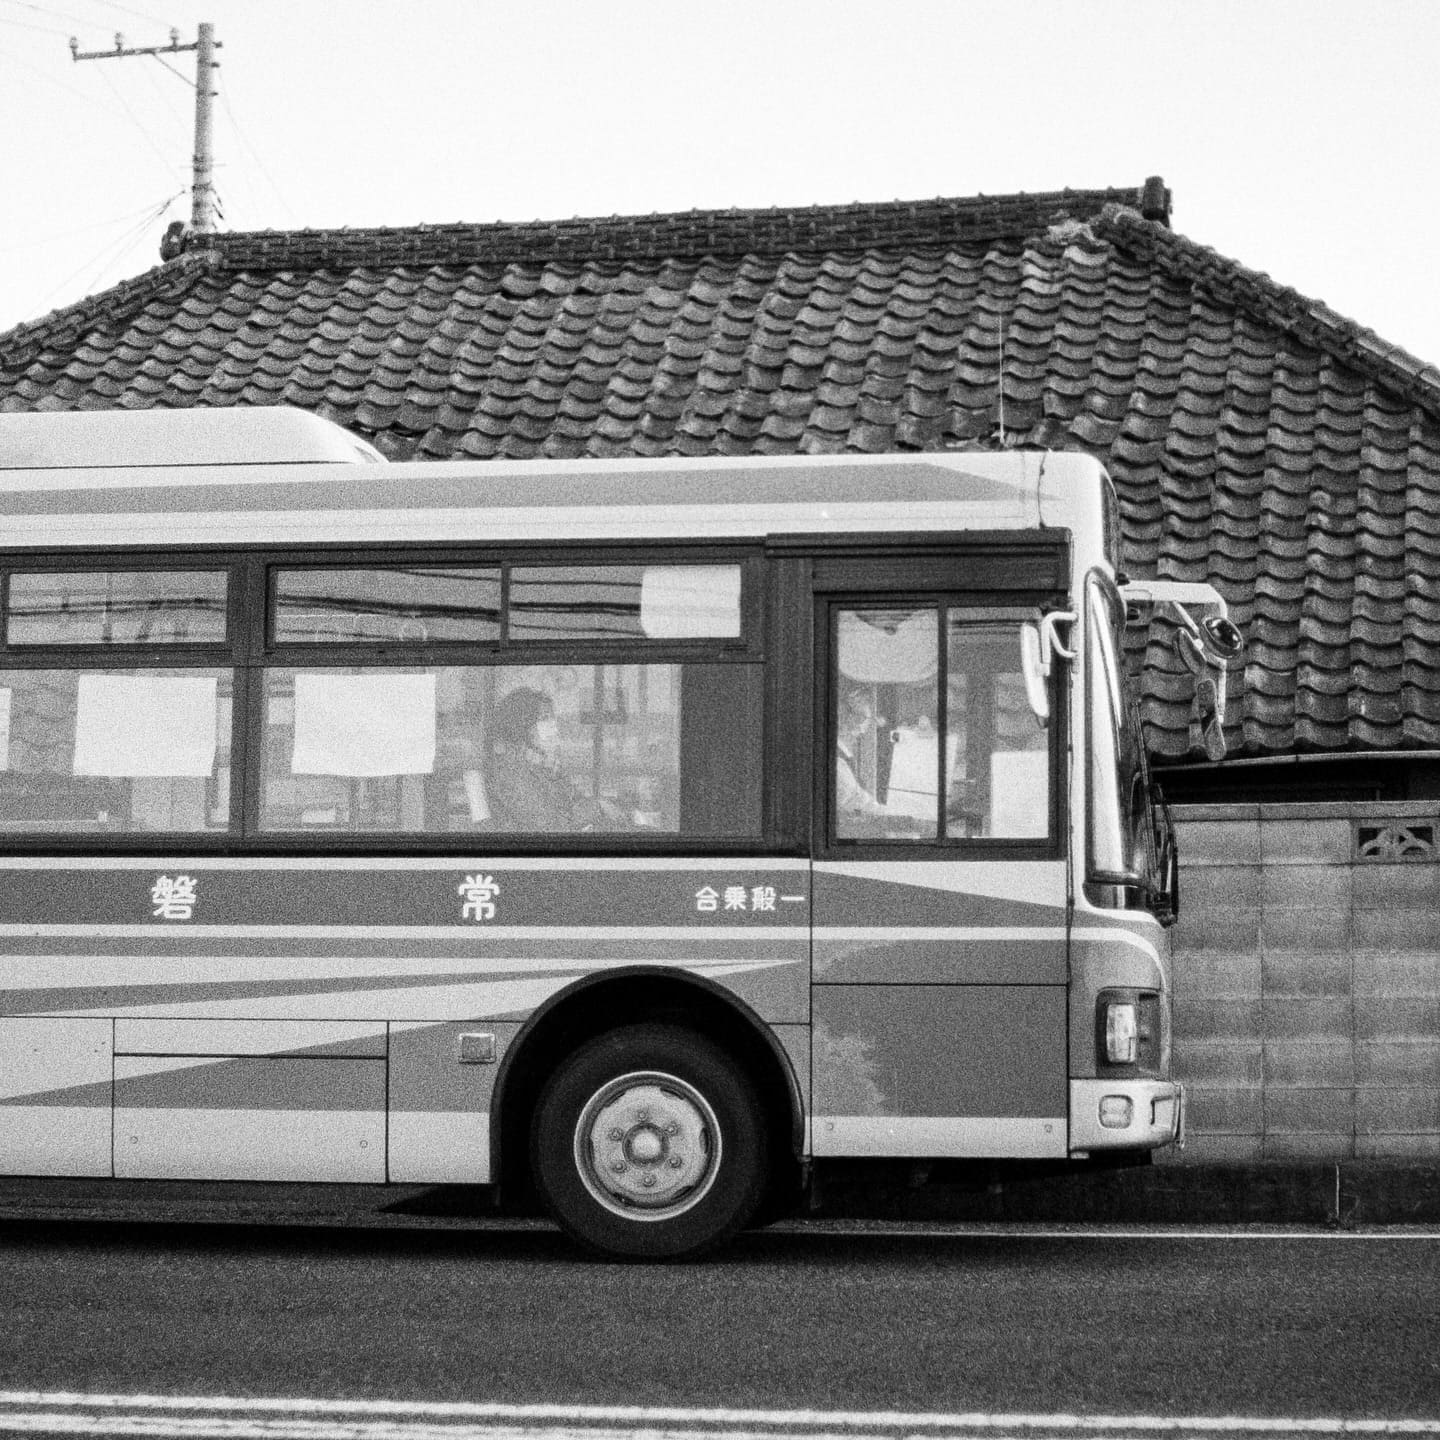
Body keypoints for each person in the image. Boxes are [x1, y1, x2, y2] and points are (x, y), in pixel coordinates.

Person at [483, 687, 629, 833]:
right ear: (522, 726)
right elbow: (550, 826)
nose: (554, 729)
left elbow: (577, 800)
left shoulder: (541, 766)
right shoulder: (510, 773)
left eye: (552, 718)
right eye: (544, 718)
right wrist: (599, 806)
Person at [835, 688, 889, 833]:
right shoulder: (837, 760)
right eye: (865, 718)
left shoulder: (845, 754)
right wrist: (892, 813)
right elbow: (854, 800)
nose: (864, 725)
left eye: (864, 719)